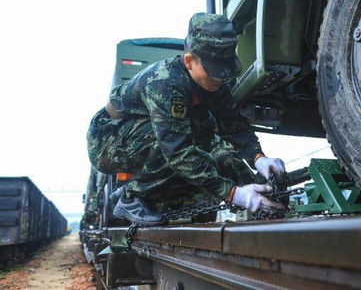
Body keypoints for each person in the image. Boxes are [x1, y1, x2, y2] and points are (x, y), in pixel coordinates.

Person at [87, 13, 286, 225]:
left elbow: (233, 125)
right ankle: (131, 198)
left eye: (223, 70)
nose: (219, 77)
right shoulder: (165, 83)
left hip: (137, 136)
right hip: (106, 140)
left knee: (209, 143)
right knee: (187, 138)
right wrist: (233, 194)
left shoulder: (216, 84)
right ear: (189, 61)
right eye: (213, 71)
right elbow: (177, 152)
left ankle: (132, 190)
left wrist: (258, 159)